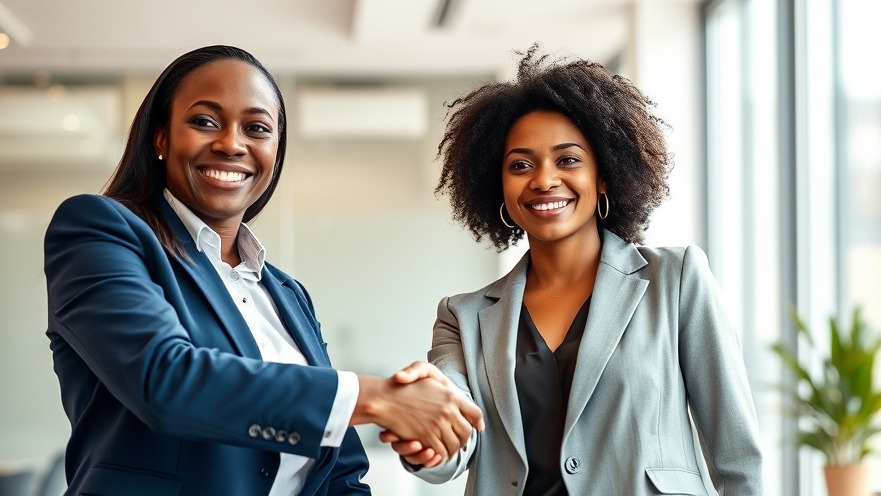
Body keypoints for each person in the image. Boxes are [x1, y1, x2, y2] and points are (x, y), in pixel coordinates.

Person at [43, 45, 483, 496]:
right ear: (160, 139)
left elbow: (340, 471)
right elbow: (164, 379)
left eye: (256, 128)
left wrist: (408, 420)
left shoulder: (288, 294)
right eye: (204, 121)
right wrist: (378, 398)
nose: (232, 144)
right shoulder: (100, 231)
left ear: (275, 153)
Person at [382, 46, 764, 495]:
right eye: (520, 165)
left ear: (604, 175)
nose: (543, 179)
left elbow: (736, 457)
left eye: (568, 160)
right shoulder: (462, 317)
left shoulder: (677, 280)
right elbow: (452, 441)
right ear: (497, 186)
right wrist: (422, 426)